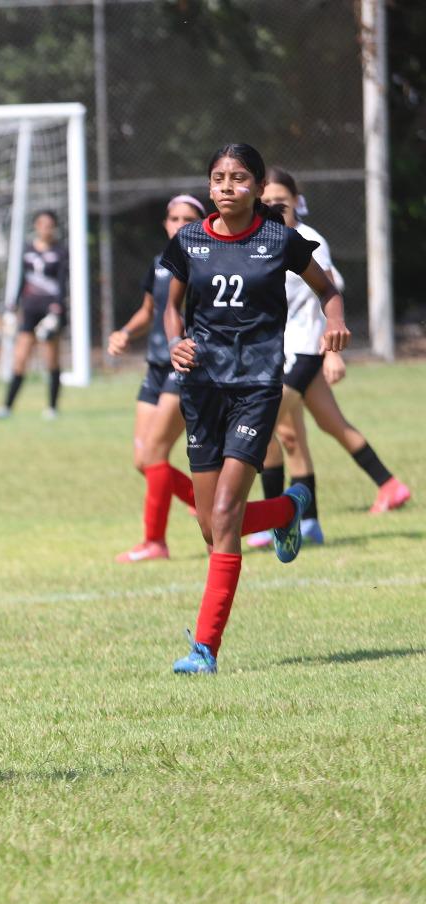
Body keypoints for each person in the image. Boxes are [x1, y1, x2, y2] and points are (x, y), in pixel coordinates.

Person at [162, 143, 348, 675]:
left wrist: (334, 319)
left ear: (257, 186)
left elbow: (326, 289)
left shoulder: (279, 240)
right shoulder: (189, 240)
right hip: (201, 388)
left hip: (255, 387)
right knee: (209, 524)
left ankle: (205, 649)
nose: (226, 186)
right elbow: (173, 311)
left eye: (239, 178)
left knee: (224, 516)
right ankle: (289, 509)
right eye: (218, 177)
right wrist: (176, 343)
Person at [241, 167, 410, 551]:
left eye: (279, 202)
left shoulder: (307, 239)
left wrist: (331, 352)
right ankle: (314, 520)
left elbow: (328, 288)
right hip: (275, 353)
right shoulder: (259, 241)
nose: (272, 207)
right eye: (265, 202)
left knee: (264, 423)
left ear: (296, 202)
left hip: (305, 350)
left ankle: (271, 518)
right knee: (298, 432)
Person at [106, 194, 206, 562]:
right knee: (142, 460)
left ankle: (155, 543)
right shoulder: (160, 262)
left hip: (184, 367)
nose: (179, 225)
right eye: (173, 219)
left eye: (187, 219)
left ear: (201, 223)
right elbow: (149, 310)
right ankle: (205, 502)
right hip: (154, 367)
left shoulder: (207, 264)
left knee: (153, 455)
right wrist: (124, 333)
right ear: (165, 224)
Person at [0, 209, 69, 420]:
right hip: (30, 312)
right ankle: (7, 407)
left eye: (50, 225)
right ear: (36, 226)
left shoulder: (60, 251)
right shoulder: (27, 250)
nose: (46, 228)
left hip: (50, 312)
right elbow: (23, 280)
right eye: (42, 224)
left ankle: (52, 408)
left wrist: (57, 310)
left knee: (51, 360)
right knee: (20, 358)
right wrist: (13, 306)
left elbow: (62, 283)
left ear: (54, 227)